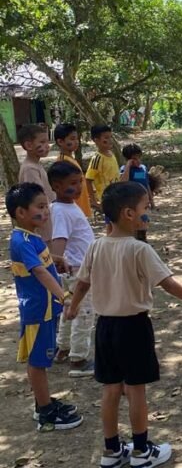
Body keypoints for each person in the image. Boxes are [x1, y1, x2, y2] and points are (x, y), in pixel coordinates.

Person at [66, 182, 182, 468]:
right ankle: (142, 450)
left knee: (111, 389)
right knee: (135, 389)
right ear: (129, 213)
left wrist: (73, 306)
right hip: (133, 327)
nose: (148, 213)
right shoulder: (139, 249)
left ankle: (111, 451)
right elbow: (169, 285)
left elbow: (82, 282)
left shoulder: (96, 246)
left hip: (104, 327)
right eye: (145, 208)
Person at [6, 182, 83, 431]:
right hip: (38, 310)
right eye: (40, 207)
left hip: (46, 309)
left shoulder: (31, 236)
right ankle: (45, 412)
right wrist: (64, 296)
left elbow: (43, 262)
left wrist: (57, 259)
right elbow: (39, 271)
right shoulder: (21, 240)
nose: (46, 211)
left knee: (41, 358)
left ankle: (44, 402)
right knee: (38, 361)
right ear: (21, 213)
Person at [48, 161, 96, 377]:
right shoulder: (61, 211)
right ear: (57, 186)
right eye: (73, 184)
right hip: (78, 271)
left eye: (80, 182)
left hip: (77, 268)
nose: (79, 188)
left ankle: (63, 348)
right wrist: (57, 260)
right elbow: (59, 239)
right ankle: (79, 359)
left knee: (69, 309)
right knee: (83, 313)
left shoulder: (67, 206)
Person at [18, 124, 56, 245]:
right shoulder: (30, 169)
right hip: (42, 225)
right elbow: (37, 198)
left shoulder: (36, 165)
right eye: (42, 142)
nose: (47, 146)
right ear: (29, 145)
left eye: (47, 141)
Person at [53, 122, 92, 218]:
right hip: (73, 210)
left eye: (77, 138)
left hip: (80, 208)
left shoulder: (70, 159)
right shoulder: (63, 162)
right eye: (72, 139)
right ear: (60, 142)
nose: (76, 142)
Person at [120, 143, 153, 241]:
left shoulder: (143, 168)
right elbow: (122, 182)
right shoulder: (125, 170)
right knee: (134, 224)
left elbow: (146, 184)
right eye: (134, 159)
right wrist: (128, 166)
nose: (138, 161)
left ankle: (143, 239)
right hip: (132, 203)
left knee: (144, 222)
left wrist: (151, 199)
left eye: (139, 157)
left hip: (144, 201)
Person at [85, 125, 120, 214]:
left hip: (117, 195)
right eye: (106, 138)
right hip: (106, 198)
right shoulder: (97, 158)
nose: (110, 140)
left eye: (110, 137)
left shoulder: (111, 154)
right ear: (96, 140)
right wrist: (93, 201)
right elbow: (88, 180)